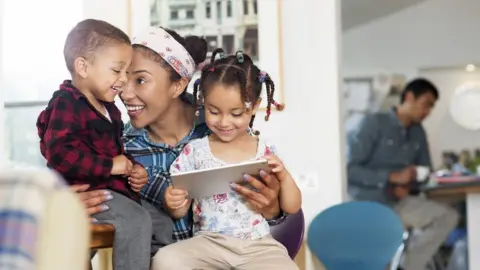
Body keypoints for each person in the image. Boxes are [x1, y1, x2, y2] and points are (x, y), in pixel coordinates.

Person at [120, 26, 289, 254]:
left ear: (178, 85)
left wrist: (273, 208)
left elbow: (271, 212)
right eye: (122, 78)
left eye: (140, 80)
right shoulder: (122, 148)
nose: (125, 93)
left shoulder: (222, 128)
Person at [149, 48, 301, 270]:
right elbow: (180, 209)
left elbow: (293, 206)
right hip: (208, 243)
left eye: (236, 113)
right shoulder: (195, 151)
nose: (224, 121)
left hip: (258, 245)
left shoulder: (265, 151)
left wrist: (285, 177)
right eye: (213, 111)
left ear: (255, 106)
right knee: (165, 260)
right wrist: (174, 202)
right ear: (203, 102)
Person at [36, 19, 158, 270]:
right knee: (136, 221)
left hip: (114, 192)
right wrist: (110, 166)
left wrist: (132, 169)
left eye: (127, 72)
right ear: (83, 67)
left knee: (161, 222)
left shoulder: (110, 110)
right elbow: (60, 154)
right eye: (117, 70)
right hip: (86, 193)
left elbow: (112, 153)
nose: (124, 80)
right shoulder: (66, 103)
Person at [347, 78, 459, 270]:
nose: (428, 112)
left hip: (401, 202)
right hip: (370, 204)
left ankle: (407, 267)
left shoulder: (418, 132)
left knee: (446, 217)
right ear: (409, 97)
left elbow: (425, 172)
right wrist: (391, 178)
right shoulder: (374, 123)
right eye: (426, 105)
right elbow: (350, 170)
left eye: (431, 108)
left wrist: (408, 186)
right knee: (380, 252)